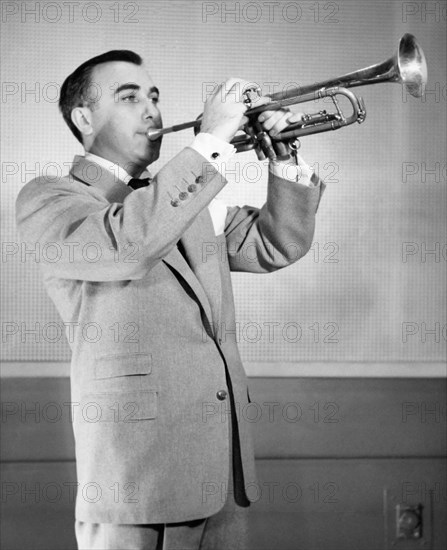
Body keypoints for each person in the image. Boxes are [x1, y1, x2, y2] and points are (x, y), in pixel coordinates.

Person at [15, 50, 325, 549]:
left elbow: (276, 243)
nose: (152, 109)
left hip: (222, 472)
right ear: (83, 117)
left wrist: (283, 157)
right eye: (129, 96)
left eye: (154, 96)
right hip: (137, 481)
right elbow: (128, 245)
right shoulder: (50, 199)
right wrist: (210, 143)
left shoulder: (188, 199)